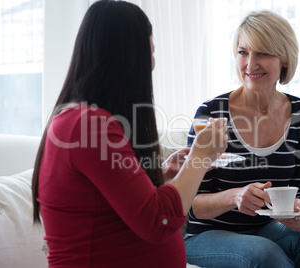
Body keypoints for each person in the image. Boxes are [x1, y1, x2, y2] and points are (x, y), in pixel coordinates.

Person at [31, 1, 227, 267]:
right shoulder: (88, 126)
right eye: (151, 52)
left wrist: (167, 177)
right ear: (129, 57)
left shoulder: (83, 121)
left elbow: (120, 211)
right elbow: (159, 222)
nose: (154, 64)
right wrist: (200, 157)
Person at [184, 10, 300, 268]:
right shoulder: (210, 113)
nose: (250, 64)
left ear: (284, 59)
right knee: (263, 252)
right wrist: (235, 196)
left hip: (267, 228)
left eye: (263, 53)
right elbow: (192, 204)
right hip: (206, 235)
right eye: (243, 52)